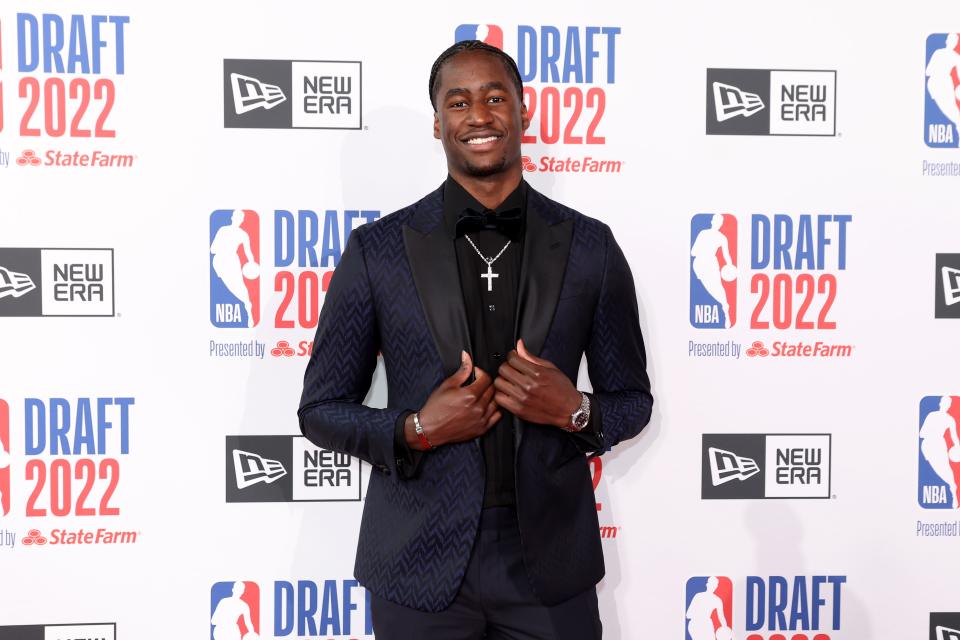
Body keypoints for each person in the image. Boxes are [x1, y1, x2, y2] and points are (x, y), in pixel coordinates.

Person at [298, 39, 653, 639]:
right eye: (458, 102)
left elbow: (632, 400)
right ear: (438, 123)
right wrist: (417, 429)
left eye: (495, 97)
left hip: (549, 564)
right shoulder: (377, 251)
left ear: (523, 109)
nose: (479, 115)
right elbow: (320, 411)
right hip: (416, 563)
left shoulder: (590, 246)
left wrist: (574, 409)